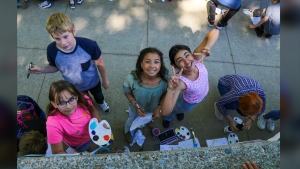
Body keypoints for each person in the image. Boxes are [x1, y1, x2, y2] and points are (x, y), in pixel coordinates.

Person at [28, 12, 110, 113]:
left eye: (65, 36)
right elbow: (55, 67)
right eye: (57, 38)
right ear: (52, 36)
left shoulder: (89, 45)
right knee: (83, 101)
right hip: (73, 87)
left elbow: (100, 63)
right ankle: (89, 108)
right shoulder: (51, 50)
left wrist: (105, 80)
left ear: (74, 30)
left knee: (98, 95)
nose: (63, 42)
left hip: (93, 82)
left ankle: (101, 102)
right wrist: (41, 69)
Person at [161, 29, 219, 128]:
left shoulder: (198, 58)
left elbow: (215, 32)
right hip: (188, 102)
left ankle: (180, 112)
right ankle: (169, 119)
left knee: (180, 110)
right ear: (176, 66)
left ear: (192, 54)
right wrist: (171, 89)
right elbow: (165, 111)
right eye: (180, 60)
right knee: (176, 109)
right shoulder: (180, 82)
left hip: (202, 95)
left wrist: (207, 47)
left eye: (187, 55)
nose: (187, 61)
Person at [46, 80, 108, 154]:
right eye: (61, 103)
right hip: (79, 144)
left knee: (90, 147)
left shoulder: (85, 99)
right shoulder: (53, 124)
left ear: (76, 96)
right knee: (87, 148)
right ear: (54, 104)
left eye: (71, 99)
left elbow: (93, 110)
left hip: (91, 134)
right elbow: (57, 152)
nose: (68, 106)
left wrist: (99, 123)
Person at [123, 47, 170, 143]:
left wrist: (159, 107)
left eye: (156, 62)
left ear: (161, 64)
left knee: (150, 117)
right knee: (131, 119)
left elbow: (166, 93)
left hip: (153, 107)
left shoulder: (166, 79)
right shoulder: (132, 79)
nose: (152, 65)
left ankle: (148, 122)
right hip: (135, 108)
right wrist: (135, 104)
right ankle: (127, 130)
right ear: (141, 64)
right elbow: (127, 92)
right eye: (148, 61)